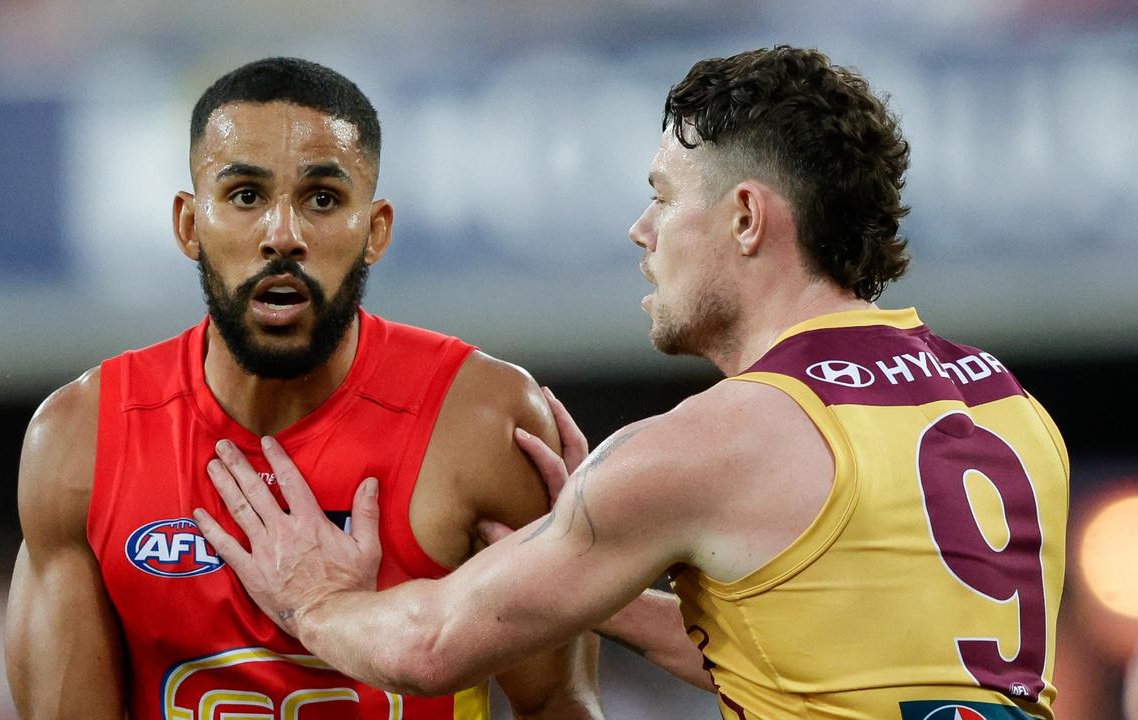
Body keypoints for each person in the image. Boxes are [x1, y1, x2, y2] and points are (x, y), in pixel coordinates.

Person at [194, 47, 1070, 720]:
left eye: (663, 196)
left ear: (745, 217)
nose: (640, 230)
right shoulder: (1006, 406)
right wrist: (595, 584)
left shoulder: (714, 441)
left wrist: (318, 598)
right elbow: (817, 659)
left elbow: (429, 647)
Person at [3, 57, 602, 720]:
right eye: (245, 196)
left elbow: (556, 704)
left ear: (374, 231)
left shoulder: (483, 425)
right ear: (188, 224)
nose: (282, 236)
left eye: (322, 198)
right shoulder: (80, 441)